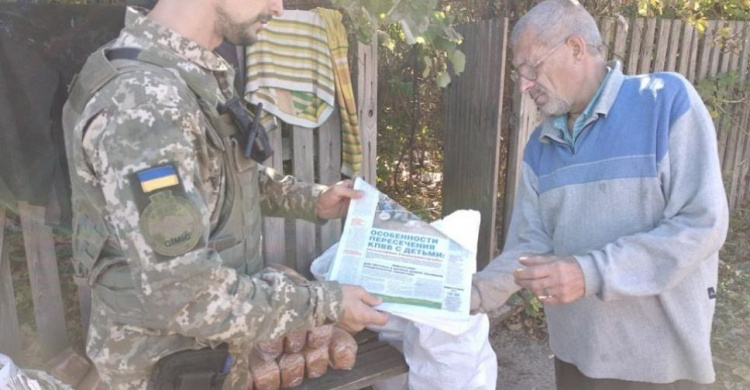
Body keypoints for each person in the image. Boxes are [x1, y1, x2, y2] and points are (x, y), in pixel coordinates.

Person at [61, 0, 389, 388]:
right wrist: (326, 304)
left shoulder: (184, 72)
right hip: (163, 366)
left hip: (204, 355)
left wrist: (311, 198)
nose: (279, 8)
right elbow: (187, 293)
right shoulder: (143, 102)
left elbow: (222, 175)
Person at [469, 1, 729, 389]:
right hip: (576, 360)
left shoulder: (664, 100)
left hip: (662, 366)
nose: (524, 84)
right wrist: (470, 296)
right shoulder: (539, 146)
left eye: (531, 68)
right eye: (518, 72)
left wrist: (590, 273)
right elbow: (528, 246)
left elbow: (701, 224)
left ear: (576, 48)